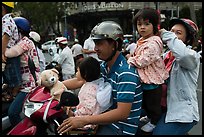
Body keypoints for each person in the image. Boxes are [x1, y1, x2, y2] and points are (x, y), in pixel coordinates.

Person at [57, 21, 143, 135]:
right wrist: (53, 85)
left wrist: (83, 120)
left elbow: (122, 113)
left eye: (99, 44)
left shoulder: (125, 73)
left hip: (120, 129)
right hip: (103, 122)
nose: (95, 48)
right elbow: (80, 80)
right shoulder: (103, 66)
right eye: (95, 43)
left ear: (114, 44)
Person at [152, 18, 201, 135]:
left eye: (178, 33)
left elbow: (182, 55)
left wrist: (166, 34)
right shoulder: (165, 56)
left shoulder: (192, 56)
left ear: (188, 39)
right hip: (162, 109)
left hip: (181, 114)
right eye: (171, 31)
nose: (172, 35)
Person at [127, 8, 169, 133]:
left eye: (147, 24)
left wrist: (130, 60)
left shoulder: (154, 42)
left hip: (153, 81)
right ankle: (150, 117)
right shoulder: (142, 40)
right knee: (145, 102)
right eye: (139, 24)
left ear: (155, 25)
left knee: (153, 104)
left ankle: (155, 121)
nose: (142, 27)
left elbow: (143, 60)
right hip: (145, 79)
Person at [4, 16, 40, 127]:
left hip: (29, 86)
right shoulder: (20, 42)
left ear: (19, 31)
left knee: (12, 113)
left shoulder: (26, 42)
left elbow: (11, 52)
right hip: (21, 85)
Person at [66, 56, 112, 130]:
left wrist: (75, 113)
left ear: (85, 74)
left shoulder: (89, 90)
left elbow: (89, 108)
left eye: (78, 71)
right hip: (87, 117)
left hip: (86, 121)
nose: (76, 73)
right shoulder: (92, 84)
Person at [2, 2, 21, 92]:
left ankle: (13, 97)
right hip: (7, 55)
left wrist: (1, 53)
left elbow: (5, 37)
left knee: (14, 82)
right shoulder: (6, 20)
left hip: (9, 56)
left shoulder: (7, 21)